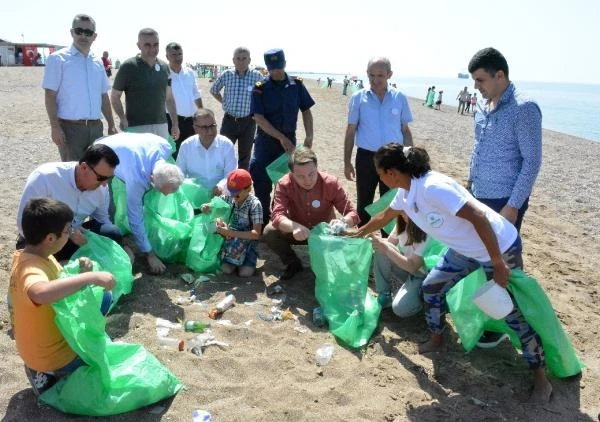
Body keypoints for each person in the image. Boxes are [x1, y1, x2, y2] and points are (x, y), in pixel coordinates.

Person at [350, 143, 552, 403]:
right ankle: (437, 339)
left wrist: (498, 263)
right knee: (432, 286)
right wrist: (356, 233)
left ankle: (541, 378)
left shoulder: (432, 188)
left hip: (498, 246)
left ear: (391, 172)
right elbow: (382, 218)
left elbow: (479, 216)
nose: (378, 177)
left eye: (379, 172)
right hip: (463, 249)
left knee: (511, 313)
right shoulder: (405, 191)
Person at [467, 47, 542, 348]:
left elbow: (532, 161)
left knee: (505, 263)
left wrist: (513, 206)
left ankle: (510, 322)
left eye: (481, 79)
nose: (476, 86)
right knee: (482, 258)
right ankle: (491, 314)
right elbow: (478, 148)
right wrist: (469, 185)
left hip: (504, 201)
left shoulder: (524, 108)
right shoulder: (482, 106)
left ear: (501, 75)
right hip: (478, 195)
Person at [9, 197, 116, 396]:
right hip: (53, 356)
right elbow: (39, 293)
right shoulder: (31, 270)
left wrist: (79, 272)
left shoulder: (27, 255)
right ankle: (51, 372)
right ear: (50, 238)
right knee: (101, 362)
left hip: (31, 350)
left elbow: (54, 280)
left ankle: (42, 368)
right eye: (67, 230)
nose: (71, 234)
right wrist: (90, 277)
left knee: (102, 297)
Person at [263, 148, 359, 281]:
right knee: (270, 232)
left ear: (317, 168)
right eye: (300, 176)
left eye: (311, 174)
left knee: (352, 234)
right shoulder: (284, 184)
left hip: (325, 234)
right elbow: (277, 216)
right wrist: (294, 226)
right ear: (291, 173)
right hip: (297, 232)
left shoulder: (331, 183)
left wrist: (342, 223)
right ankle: (293, 263)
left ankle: (329, 262)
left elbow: (352, 214)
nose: (307, 180)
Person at [16, 144, 124, 262]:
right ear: (84, 168)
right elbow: (24, 223)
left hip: (77, 236)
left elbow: (102, 219)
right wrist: (67, 234)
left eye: (109, 178)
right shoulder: (45, 178)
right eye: (101, 178)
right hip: (46, 239)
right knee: (34, 262)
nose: (104, 183)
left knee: (112, 234)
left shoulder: (102, 188)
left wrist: (100, 243)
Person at [95, 132, 184, 274]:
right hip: (103, 151)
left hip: (129, 145)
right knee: (107, 208)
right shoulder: (136, 179)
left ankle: (137, 239)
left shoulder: (165, 147)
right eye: (162, 191)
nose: (165, 195)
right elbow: (134, 217)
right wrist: (150, 254)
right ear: (152, 180)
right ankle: (115, 243)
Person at [344, 56, 413, 225]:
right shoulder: (358, 98)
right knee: (364, 204)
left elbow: (405, 130)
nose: (375, 80)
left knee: (391, 204)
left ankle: (387, 247)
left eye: (380, 76)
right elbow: (350, 131)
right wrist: (346, 161)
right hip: (366, 158)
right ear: (367, 74)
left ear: (389, 74)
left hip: (394, 159)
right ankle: (362, 244)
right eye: (371, 75)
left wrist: (410, 158)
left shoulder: (400, 98)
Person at [248, 48, 315, 224]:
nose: (275, 71)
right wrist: (280, 137)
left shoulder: (297, 85)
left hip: (289, 142)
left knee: (286, 182)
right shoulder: (259, 88)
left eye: (278, 67)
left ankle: (280, 217)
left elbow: (306, 110)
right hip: (265, 141)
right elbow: (259, 118)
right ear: (267, 67)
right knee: (261, 178)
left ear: (284, 64)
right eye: (271, 68)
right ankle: (262, 219)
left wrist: (309, 136)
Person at [42, 14, 117, 162]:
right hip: (70, 130)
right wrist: (55, 127)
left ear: (94, 36)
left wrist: (112, 125)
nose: (83, 35)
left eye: (88, 32)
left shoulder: (97, 62)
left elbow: (103, 96)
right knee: (73, 175)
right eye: (79, 30)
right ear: (72, 32)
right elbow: (50, 95)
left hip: (96, 129)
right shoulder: (58, 59)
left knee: (98, 174)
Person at [110, 28, 179, 141]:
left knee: (161, 158)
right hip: (136, 128)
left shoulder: (164, 67)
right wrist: (122, 118)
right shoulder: (128, 66)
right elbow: (115, 96)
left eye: (156, 44)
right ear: (139, 45)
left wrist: (175, 124)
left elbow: (169, 98)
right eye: (147, 45)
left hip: (161, 126)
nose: (152, 49)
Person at [201, 169, 263, 277]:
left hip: (248, 245)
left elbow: (255, 234)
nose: (233, 196)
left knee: (245, 274)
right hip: (231, 244)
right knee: (226, 270)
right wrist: (206, 207)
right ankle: (233, 261)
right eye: (231, 192)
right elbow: (214, 203)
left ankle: (247, 261)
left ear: (248, 189)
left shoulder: (254, 204)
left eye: (237, 194)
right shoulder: (230, 198)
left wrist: (229, 232)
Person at [210, 47, 263, 170]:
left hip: (248, 122)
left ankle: (242, 185)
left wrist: (257, 109)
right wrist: (224, 102)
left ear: (249, 60)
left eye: (244, 58)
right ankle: (221, 182)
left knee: (245, 156)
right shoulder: (227, 74)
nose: (241, 61)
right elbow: (214, 90)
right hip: (229, 121)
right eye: (238, 59)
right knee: (223, 152)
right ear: (233, 60)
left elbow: (265, 95)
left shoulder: (257, 76)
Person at [372, 210, 428, 316]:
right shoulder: (402, 222)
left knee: (400, 309)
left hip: (420, 275)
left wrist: (386, 248)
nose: (402, 214)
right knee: (381, 248)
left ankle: (421, 300)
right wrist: (375, 240)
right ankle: (385, 295)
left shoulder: (426, 229)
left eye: (406, 210)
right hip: (406, 269)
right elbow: (389, 244)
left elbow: (413, 267)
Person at [176, 108, 237, 195]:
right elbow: (179, 174)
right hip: (194, 197)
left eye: (213, 125)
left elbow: (231, 174)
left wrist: (220, 186)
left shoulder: (226, 145)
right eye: (205, 127)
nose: (210, 131)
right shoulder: (186, 146)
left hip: (221, 197)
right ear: (195, 128)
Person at [165, 42, 203, 158]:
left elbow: (196, 93)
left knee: (190, 151)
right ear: (167, 57)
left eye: (180, 54)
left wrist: (201, 112)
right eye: (174, 55)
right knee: (175, 152)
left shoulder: (189, 72)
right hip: (172, 120)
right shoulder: (164, 74)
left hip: (191, 120)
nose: (178, 58)